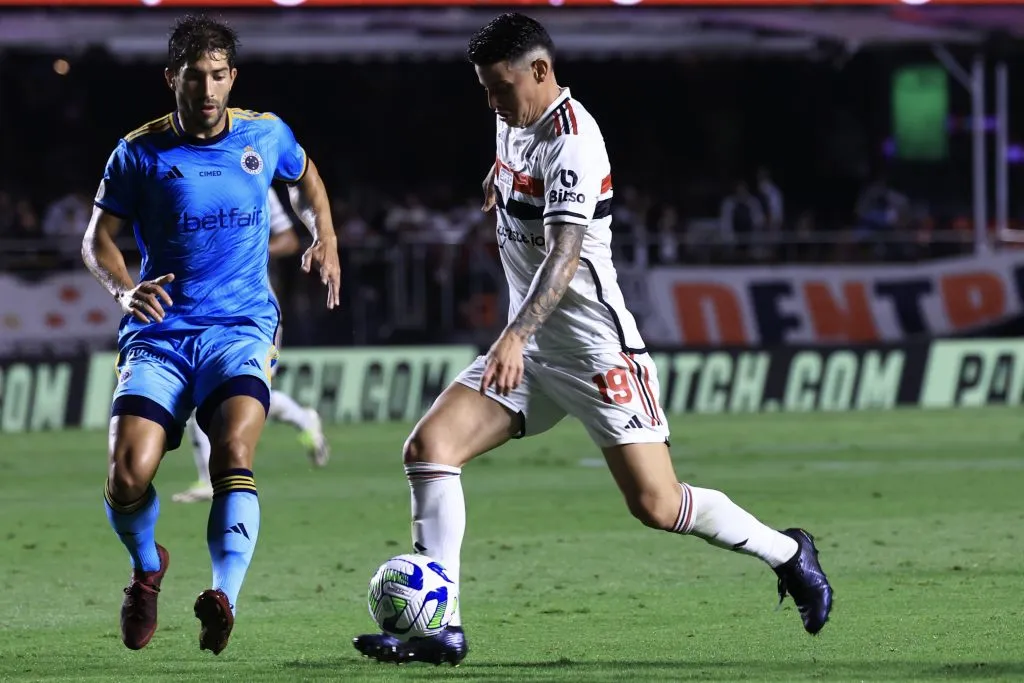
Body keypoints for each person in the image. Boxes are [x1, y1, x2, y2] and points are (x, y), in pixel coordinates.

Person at [353, 13, 832, 666]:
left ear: (541, 73)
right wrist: (494, 185)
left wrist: (515, 333)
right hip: (533, 353)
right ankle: (442, 628)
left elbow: (565, 255)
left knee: (657, 504)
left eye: (499, 87)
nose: (491, 101)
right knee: (430, 448)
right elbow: (508, 171)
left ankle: (788, 551)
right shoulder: (511, 120)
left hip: (594, 350)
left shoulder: (575, 141)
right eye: (484, 89)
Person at [81, 14, 340, 655]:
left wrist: (324, 234)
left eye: (218, 76)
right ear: (171, 78)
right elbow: (97, 239)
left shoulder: (264, 134)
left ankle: (224, 595)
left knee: (234, 456)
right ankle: (147, 570)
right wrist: (122, 289)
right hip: (162, 332)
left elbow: (306, 178)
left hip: (241, 326)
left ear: (232, 77)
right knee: (127, 473)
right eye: (194, 77)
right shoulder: (137, 152)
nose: (207, 90)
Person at [173, 188, 330, 504]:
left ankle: (302, 419)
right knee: (200, 394)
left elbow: (288, 240)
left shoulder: (255, 180)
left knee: (243, 394)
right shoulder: (187, 179)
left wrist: (248, 252)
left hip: (254, 311)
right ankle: (208, 480)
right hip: (206, 308)